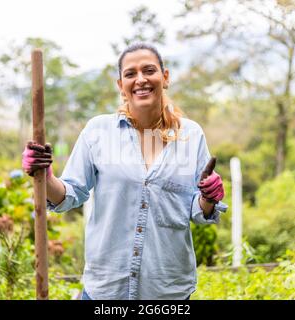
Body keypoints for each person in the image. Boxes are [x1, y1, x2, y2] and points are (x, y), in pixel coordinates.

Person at [22, 43, 227, 300]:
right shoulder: (98, 132)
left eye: (149, 70)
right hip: (106, 290)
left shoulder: (190, 136)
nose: (140, 79)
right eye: (130, 74)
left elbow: (198, 211)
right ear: (121, 85)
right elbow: (70, 194)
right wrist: (45, 176)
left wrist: (209, 198)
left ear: (165, 78)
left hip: (167, 291)